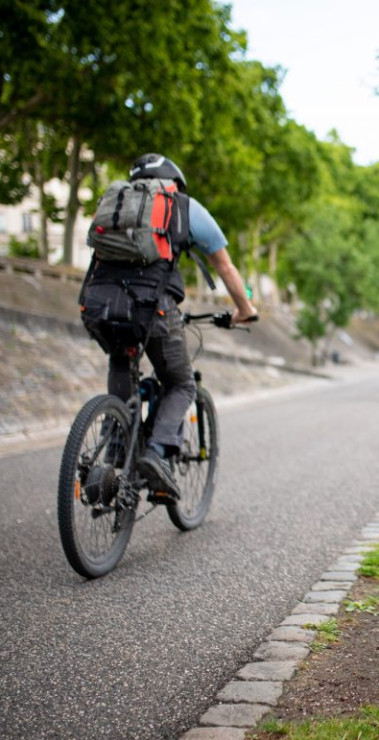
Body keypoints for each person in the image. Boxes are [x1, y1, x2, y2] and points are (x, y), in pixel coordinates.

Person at [80, 153, 257, 498]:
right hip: (152, 309)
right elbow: (225, 267)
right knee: (180, 383)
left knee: (122, 358)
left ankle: (116, 447)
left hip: (98, 305)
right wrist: (245, 309)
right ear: (174, 182)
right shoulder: (184, 207)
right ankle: (157, 452)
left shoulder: (114, 204)